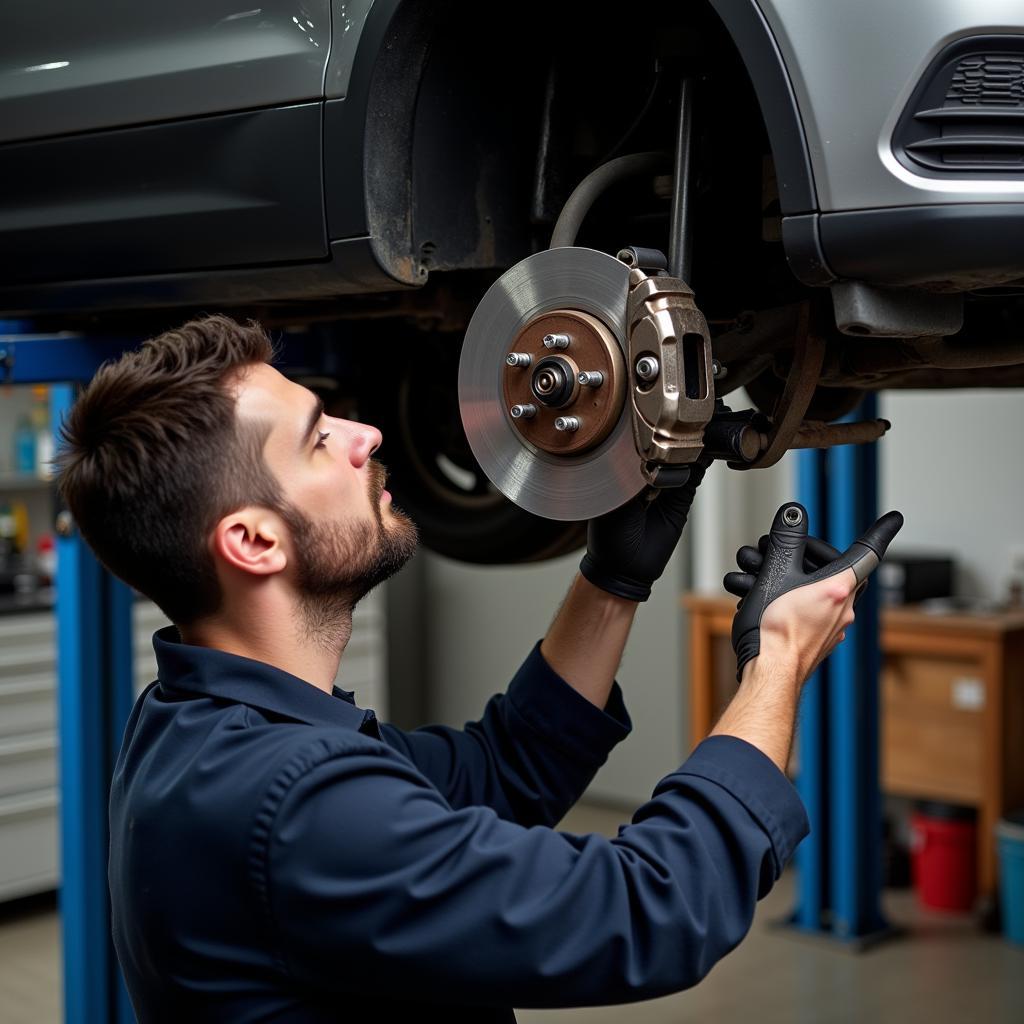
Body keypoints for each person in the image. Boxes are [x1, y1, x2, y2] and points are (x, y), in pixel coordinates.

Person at [56, 315, 901, 1023]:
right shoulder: (292, 803)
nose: (367, 435)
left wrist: (613, 580)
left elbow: (505, 770)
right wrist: (779, 659)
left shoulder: (201, 724)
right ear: (253, 541)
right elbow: (650, 912)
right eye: (320, 440)